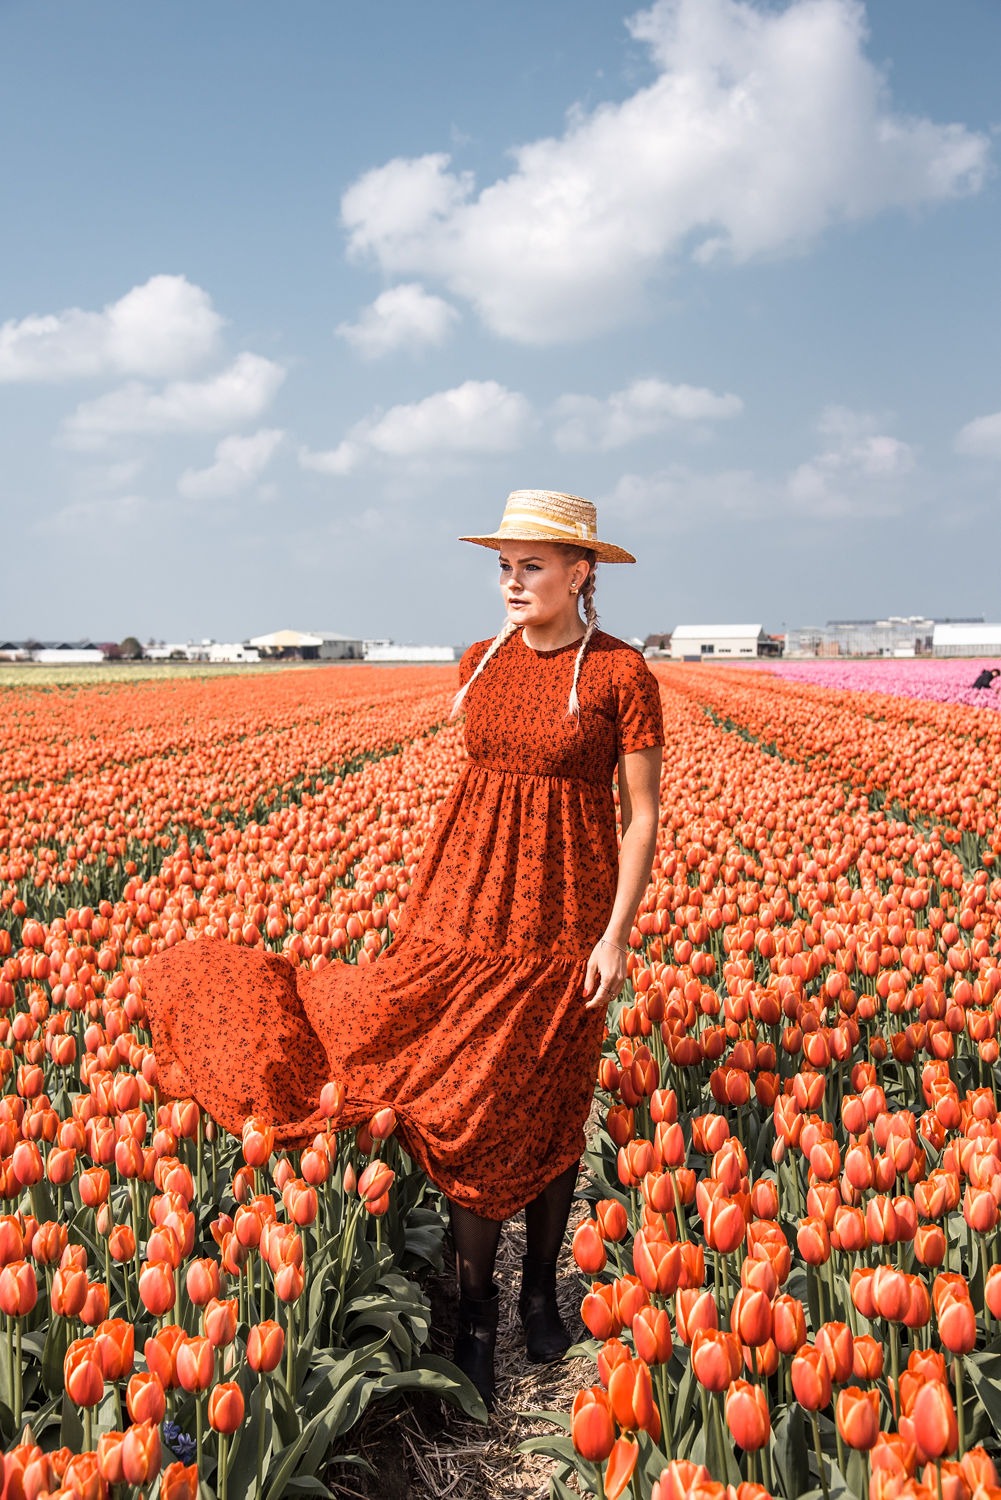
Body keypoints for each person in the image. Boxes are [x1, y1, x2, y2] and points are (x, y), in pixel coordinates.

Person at [142, 489, 664, 1409]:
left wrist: (615, 936)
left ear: (580, 573)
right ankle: (473, 1313)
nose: (511, 582)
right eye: (502, 566)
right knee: (462, 1102)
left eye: (530, 566)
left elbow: (641, 817)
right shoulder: (479, 661)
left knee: (548, 1107)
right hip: (459, 915)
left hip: (561, 927)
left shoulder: (621, 676)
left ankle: (538, 1294)